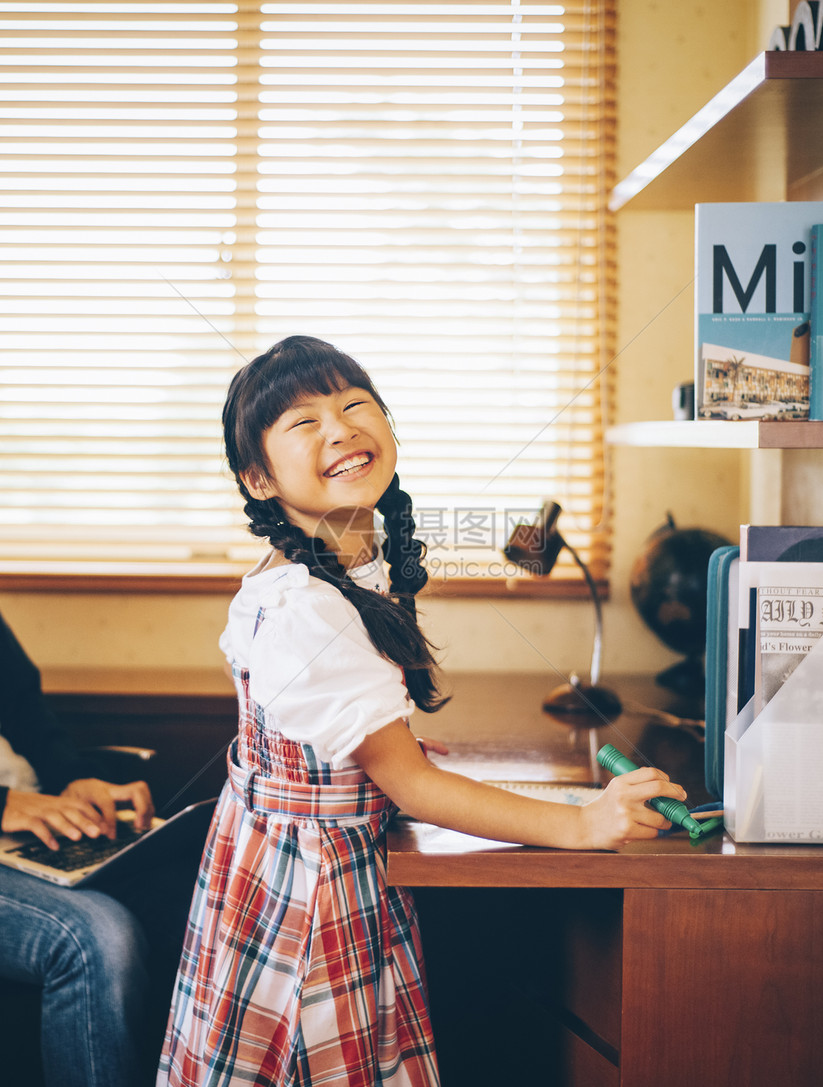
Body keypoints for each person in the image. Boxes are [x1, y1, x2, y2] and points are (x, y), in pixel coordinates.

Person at [158, 335, 687, 1087]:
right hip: (312, 887)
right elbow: (411, 785)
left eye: (353, 404)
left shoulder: (342, 557)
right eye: (303, 422)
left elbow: (354, 745)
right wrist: (583, 822)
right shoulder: (306, 604)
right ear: (258, 477)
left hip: (283, 859)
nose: (339, 429)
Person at [0, 611, 197, 1087]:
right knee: (96, 938)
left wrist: (72, 778)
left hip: (32, 827)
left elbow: (26, 714)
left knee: (194, 900)